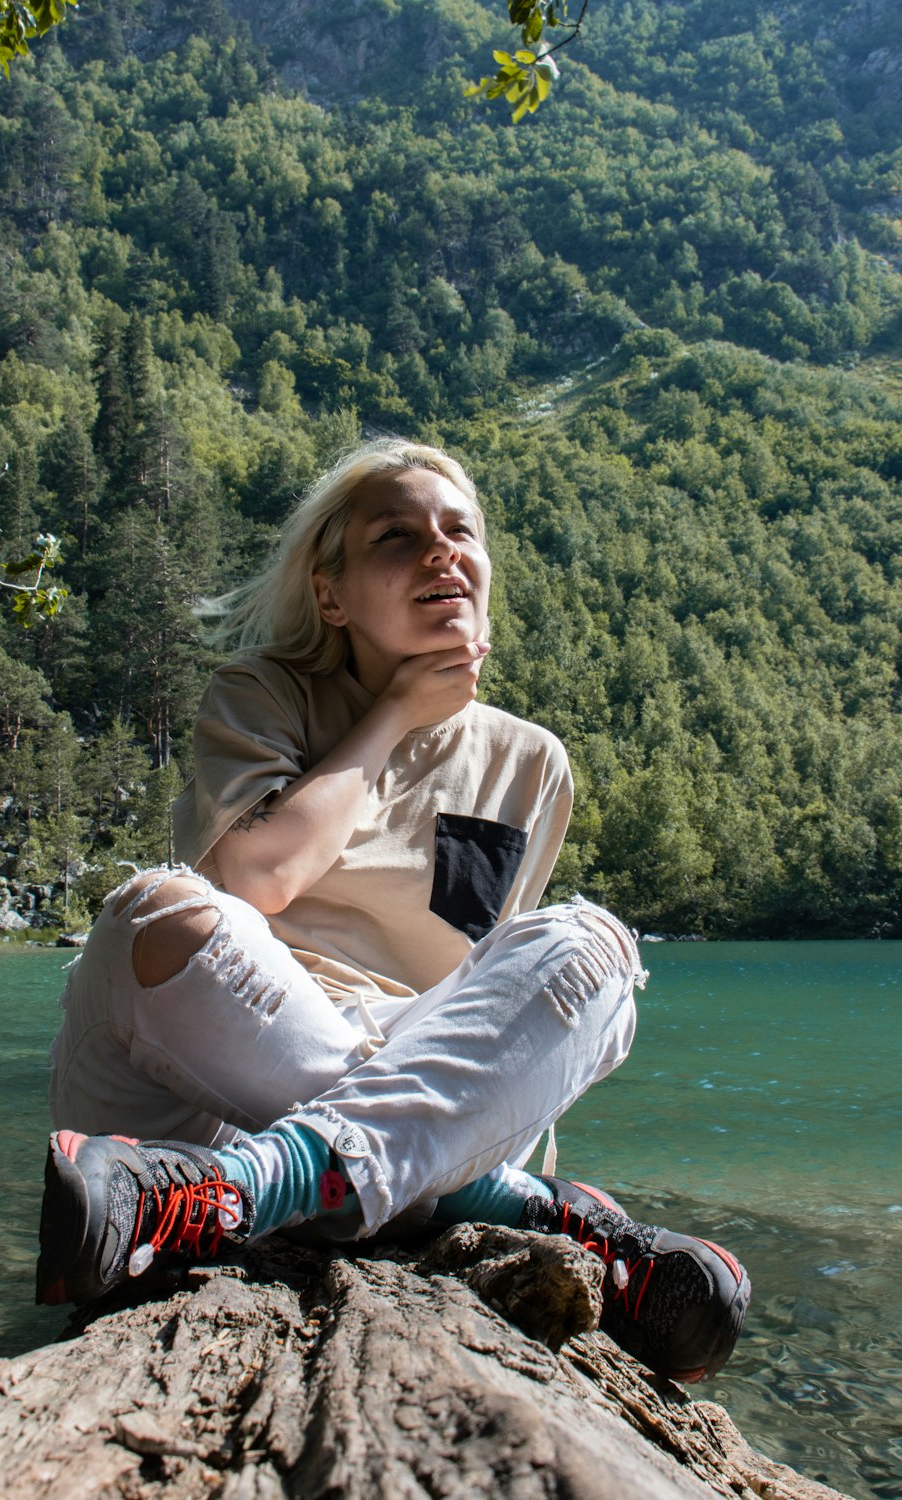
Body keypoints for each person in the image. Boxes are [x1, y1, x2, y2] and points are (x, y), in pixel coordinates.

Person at [37, 439, 750, 1383]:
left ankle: (253, 1189)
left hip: (383, 1080)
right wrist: (396, 717)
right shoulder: (263, 694)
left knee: (596, 948)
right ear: (331, 595)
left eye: (461, 532)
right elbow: (256, 878)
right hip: (206, 1073)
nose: (441, 552)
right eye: (397, 535)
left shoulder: (529, 763)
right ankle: (493, 1200)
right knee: (155, 911)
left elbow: (489, 1004)